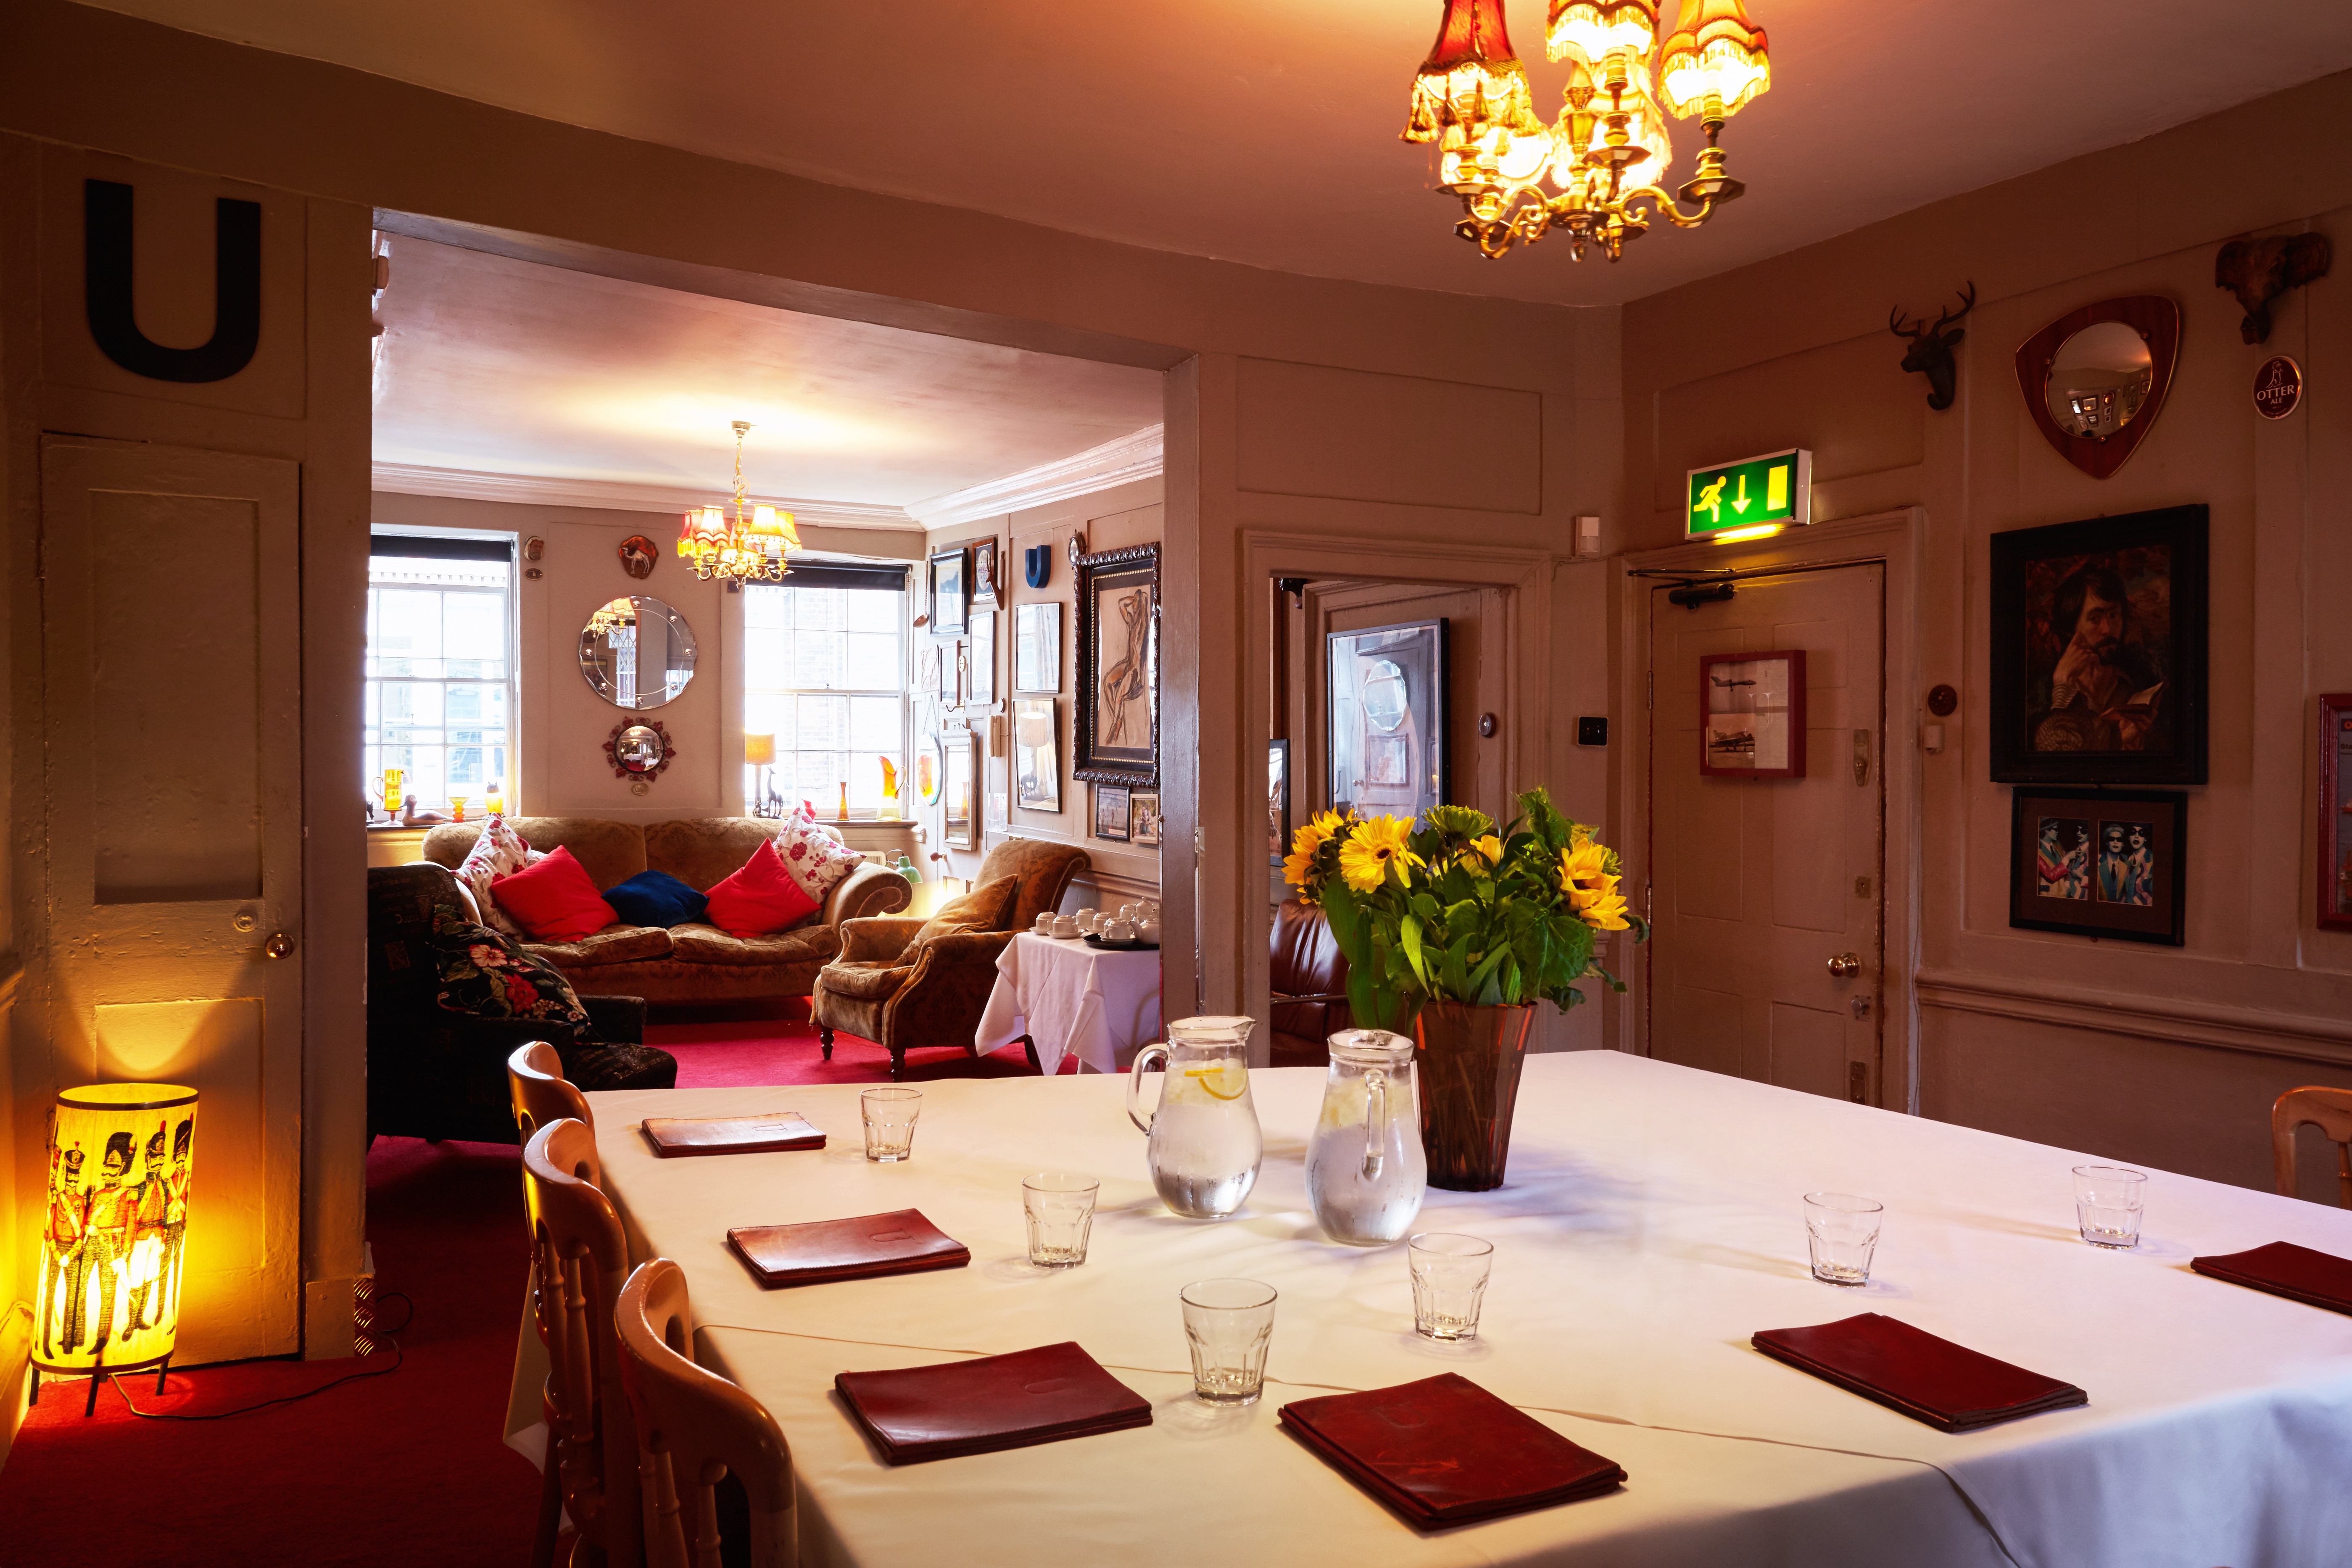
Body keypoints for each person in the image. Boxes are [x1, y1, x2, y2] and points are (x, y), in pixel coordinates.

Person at [2033, 564, 2166, 753]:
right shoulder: (2044, 692)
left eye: (2114, 615)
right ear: (2072, 629)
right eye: (2095, 619)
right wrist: (2063, 692)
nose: (2108, 629)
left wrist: (2131, 745)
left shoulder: (2138, 683)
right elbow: (2057, 762)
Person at [40, 1145, 87, 1359]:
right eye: (69, 1181)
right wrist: (57, 1254)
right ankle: (46, 1342)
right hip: (56, 1249)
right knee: (50, 1297)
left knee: (73, 1297)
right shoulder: (55, 1200)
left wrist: (72, 1254)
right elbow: (48, 1231)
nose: (71, 1185)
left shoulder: (80, 1201)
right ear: (65, 1179)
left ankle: (68, 1341)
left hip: (72, 1253)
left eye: (75, 1182)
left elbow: (82, 1233)